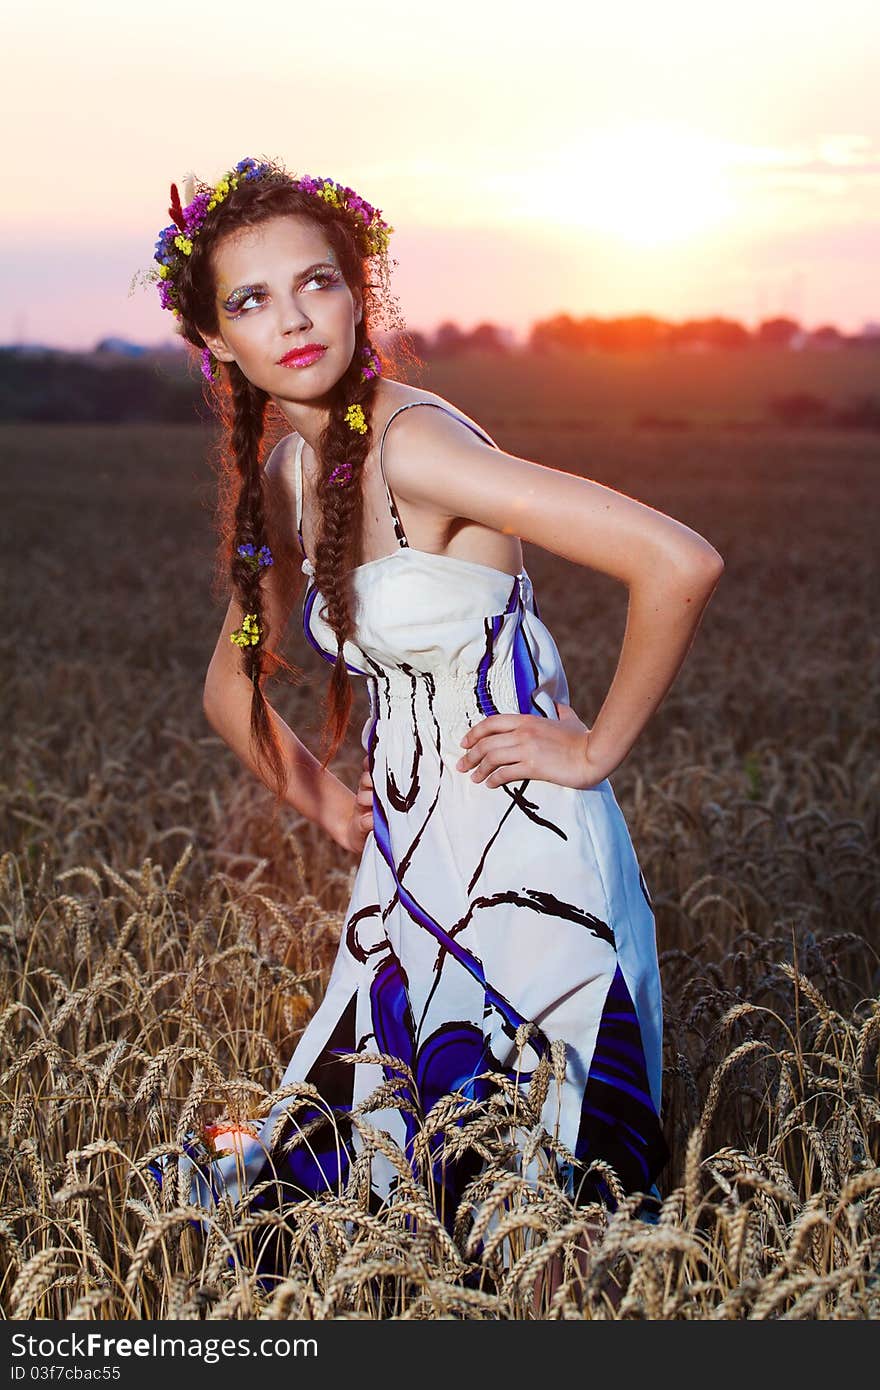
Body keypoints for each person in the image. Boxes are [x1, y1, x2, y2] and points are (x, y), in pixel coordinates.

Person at [147, 156, 724, 1299]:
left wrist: (593, 748)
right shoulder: (293, 469)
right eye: (251, 301)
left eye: (315, 281)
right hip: (413, 861)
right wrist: (345, 816)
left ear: (359, 291)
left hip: (522, 846)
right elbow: (231, 690)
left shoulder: (416, 446)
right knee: (363, 1188)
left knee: (543, 1204)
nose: (293, 318)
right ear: (214, 341)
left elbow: (676, 559)